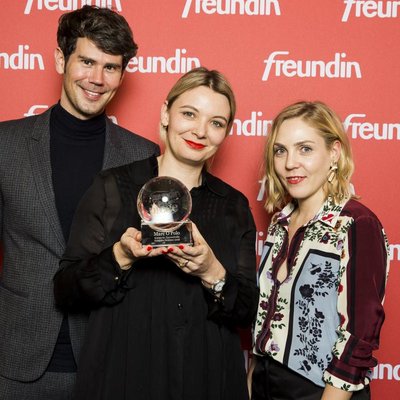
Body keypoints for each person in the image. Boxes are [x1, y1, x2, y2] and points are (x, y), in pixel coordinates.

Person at [53, 66, 258, 400]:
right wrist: (120, 256)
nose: (200, 131)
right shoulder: (113, 187)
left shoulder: (233, 205)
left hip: (205, 374)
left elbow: (248, 311)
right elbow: (65, 290)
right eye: (189, 114)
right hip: (125, 370)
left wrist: (212, 272)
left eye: (216, 123)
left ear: (226, 133)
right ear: (166, 114)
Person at [0, 6, 159, 400]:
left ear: (122, 74)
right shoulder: (5, 145)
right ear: (61, 59)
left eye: (110, 67)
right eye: (87, 61)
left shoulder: (143, 157)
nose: (97, 79)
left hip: (106, 361)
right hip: (15, 360)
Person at [250, 101, 390, 400]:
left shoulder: (355, 223)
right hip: (265, 383)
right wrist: (253, 381)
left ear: (334, 153)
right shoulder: (279, 223)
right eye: (280, 151)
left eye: (305, 149)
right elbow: (265, 318)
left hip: (322, 391)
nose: (290, 163)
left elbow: (359, 337)